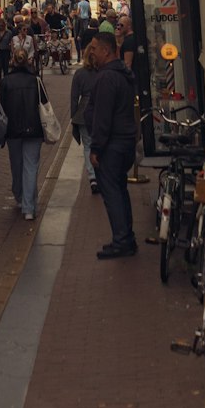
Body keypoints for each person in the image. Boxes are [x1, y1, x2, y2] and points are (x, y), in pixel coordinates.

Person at [86, 29, 137, 257]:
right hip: (125, 140)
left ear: (106, 51)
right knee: (119, 189)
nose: (91, 53)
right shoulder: (123, 74)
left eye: (95, 48)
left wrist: (96, 147)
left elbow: (102, 116)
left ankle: (122, 240)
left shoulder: (107, 78)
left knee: (112, 192)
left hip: (112, 145)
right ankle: (126, 236)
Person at [0, 47, 45, 219]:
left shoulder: (5, 82)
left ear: (12, 61)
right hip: (34, 128)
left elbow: (0, 108)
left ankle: (19, 196)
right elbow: (44, 103)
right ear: (28, 61)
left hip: (13, 130)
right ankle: (28, 208)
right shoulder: (36, 80)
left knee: (16, 165)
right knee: (31, 166)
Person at [70, 40, 101, 194]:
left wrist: (73, 116)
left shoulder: (80, 74)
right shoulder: (103, 72)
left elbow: (74, 97)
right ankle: (100, 174)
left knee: (88, 145)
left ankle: (92, 176)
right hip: (101, 111)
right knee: (101, 143)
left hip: (83, 113)